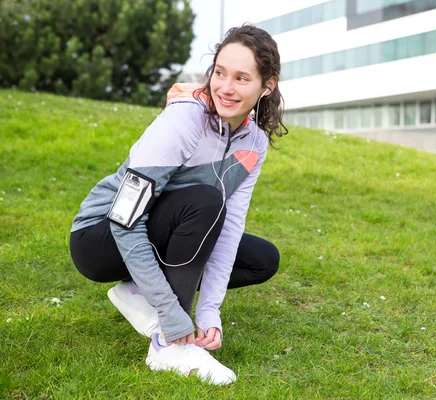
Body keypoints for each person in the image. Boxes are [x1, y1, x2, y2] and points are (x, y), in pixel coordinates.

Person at [69, 24, 288, 385]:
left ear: (267, 85)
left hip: (161, 229)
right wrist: (173, 314)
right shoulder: (184, 119)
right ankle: (168, 342)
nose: (226, 87)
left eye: (241, 78)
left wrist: (210, 312)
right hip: (100, 235)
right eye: (219, 73)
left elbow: (229, 228)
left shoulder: (254, 142)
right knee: (205, 200)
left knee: (261, 259)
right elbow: (125, 218)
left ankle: (137, 290)